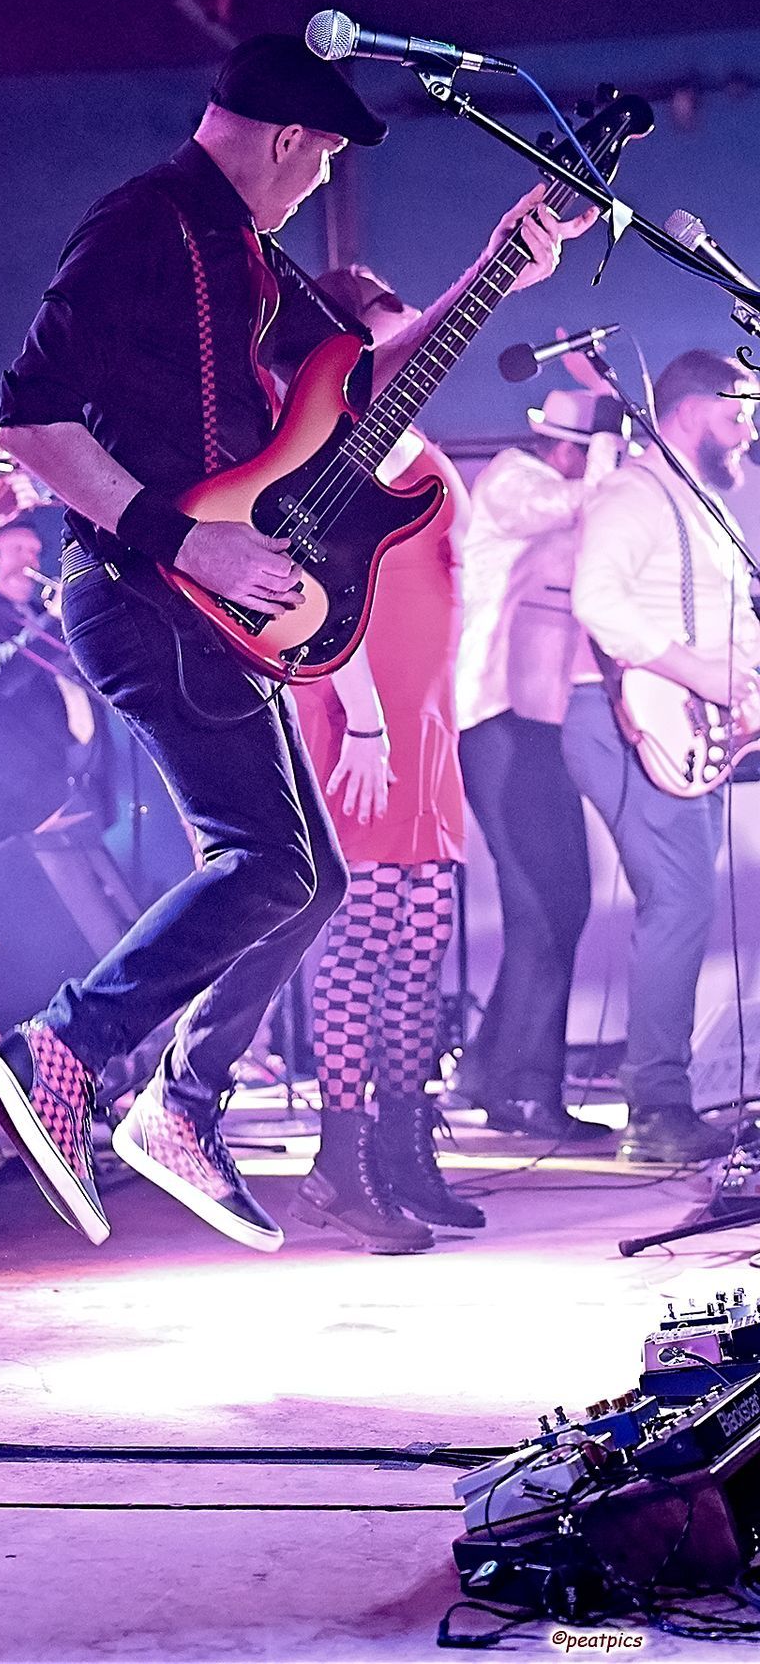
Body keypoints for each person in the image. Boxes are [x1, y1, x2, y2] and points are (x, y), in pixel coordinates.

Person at [0, 33, 594, 1250]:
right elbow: (26, 421)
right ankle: (68, 1048)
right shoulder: (142, 224)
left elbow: (363, 386)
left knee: (308, 877)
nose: (316, 192)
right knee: (272, 865)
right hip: (144, 590)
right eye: (317, 170)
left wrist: (492, 275)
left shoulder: (250, 255)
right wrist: (185, 542)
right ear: (290, 140)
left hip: (208, 610)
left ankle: (183, 1105)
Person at [289, 264, 482, 1254]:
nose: (418, 331)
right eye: (397, 315)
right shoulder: (326, 443)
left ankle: (405, 1153)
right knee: (359, 945)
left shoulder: (417, 444)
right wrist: (362, 715)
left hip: (426, 720)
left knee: (419, 942)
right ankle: (342, 1159)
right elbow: (314, 586)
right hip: (361, 714)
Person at [562, 349, 760, 1164]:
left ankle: (663, 1104)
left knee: (683, 902)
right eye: (738, 410)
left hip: (685, 720)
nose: (750, 426)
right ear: (687, 411)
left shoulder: (707, 506)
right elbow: (596, 599)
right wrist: (697, 670)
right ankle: (656, 1112)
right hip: (623, 718)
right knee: (678, 903)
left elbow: (733, 623)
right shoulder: (633, 494)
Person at [453, 386, 626, 1142]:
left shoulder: (558, 493)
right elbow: (584, 502)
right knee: (541, 904)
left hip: (535, 725)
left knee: (560, 902)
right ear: (564, 449)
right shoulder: (512, 482)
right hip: (495, 719)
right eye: (579, 451)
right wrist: (613, 435)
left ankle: (493, 1073)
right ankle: (525, 1091)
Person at [0, 516, 98, 860]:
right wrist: (55, 619)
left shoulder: (35, 614)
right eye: (18, 549)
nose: (31, 561)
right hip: (8, 803)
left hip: (69, 789)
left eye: (36, 552)